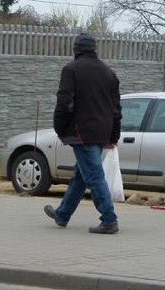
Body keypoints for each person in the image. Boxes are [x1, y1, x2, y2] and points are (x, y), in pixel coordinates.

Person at [44, 33, 122, 234]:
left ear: (75, 49)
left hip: (82, 131)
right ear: (94, 49)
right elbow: (116, 108)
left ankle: (109, 219)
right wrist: (113, 136)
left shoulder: (71, 69)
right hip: (102, 131)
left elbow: (64, 102)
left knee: (94, 175)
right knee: (82, 174)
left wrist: (59, 128)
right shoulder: (109, 73)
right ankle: (62, 214)